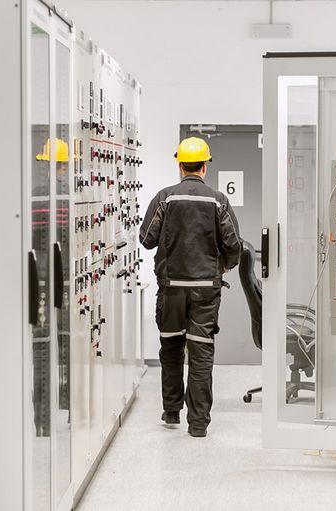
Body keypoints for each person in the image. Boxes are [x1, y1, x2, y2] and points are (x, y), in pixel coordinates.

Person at [139, 137, 241, 437]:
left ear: (180, 165)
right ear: (205, 167)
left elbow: (147, 240)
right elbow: (234, 244)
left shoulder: (164, 198)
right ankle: (198, 424)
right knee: (201, 352)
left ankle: (172, 412)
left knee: (171, 348)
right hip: (206, 290)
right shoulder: (218, 200)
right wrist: (223, 265)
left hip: (171, 289)